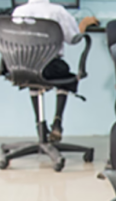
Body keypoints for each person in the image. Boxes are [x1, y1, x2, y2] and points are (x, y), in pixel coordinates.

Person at [10, 0, 99, 142]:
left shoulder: (18, 12)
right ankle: (57, 122)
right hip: (50, 67)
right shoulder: (57, 11)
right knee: (65, 76)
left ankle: (39, 125)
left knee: (33, 78)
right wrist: (84, 24)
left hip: (23, 67)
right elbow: (72, 39)